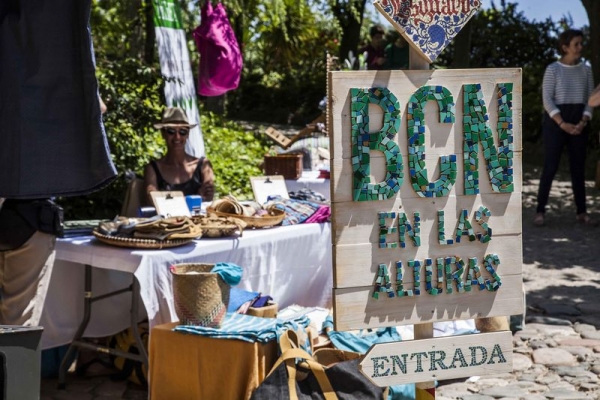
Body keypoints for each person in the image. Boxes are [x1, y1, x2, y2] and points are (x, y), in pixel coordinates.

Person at [534, 29, 595, 227]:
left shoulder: (586, 70)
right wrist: (562, 124)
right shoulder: (553, 69)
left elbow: (591, 100)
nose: (580, 47)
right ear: (565, 47)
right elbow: (547, 100)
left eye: (581, 43)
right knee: (550, 167)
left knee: (578, 169)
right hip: (556, 124)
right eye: (576, 44)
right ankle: (540, 210)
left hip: (580, 123)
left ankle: (582, 212)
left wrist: (583, 121)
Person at [144, 107, 215, 204]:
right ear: (163, 134)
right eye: (171, 131)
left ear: (188, 134)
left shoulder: (204, 165)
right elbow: (154, 201)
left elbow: (208, 198)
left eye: (182, 131)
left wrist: (168, 200)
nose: (177, 137)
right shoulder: (152, 169)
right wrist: (196, 197)